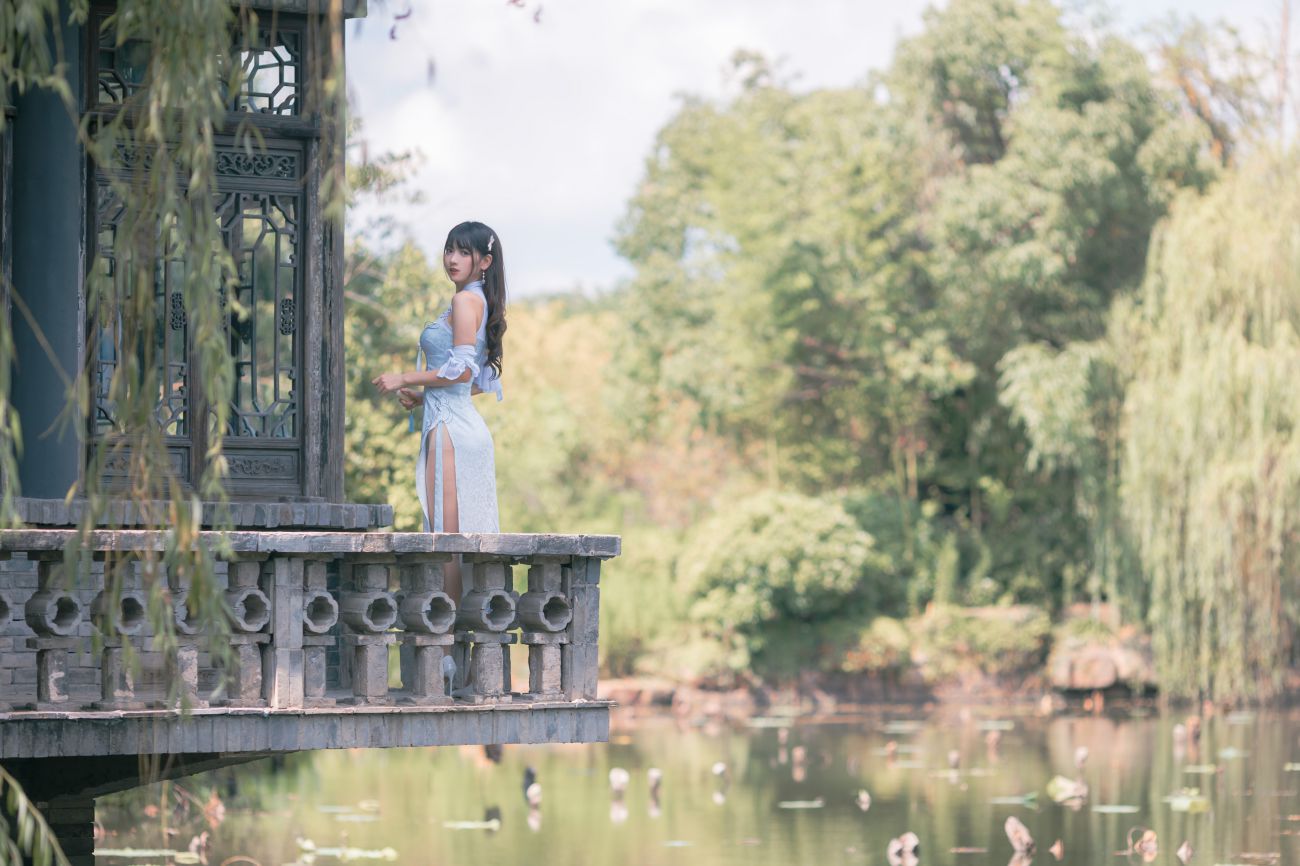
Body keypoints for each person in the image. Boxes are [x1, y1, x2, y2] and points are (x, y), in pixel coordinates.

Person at [372, 221, 506, 601]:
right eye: (450, 249)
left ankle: (447, 647)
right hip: (457, 423)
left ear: (485, 261)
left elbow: (462, 371)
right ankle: (457, 642)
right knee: (458, 538)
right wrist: (422, 396)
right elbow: (478, 381)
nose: (453, 259)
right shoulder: (479, 300)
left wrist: (404, 378)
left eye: (464, 252)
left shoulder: (465, 301)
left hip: (450, 430)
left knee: (446, 539)